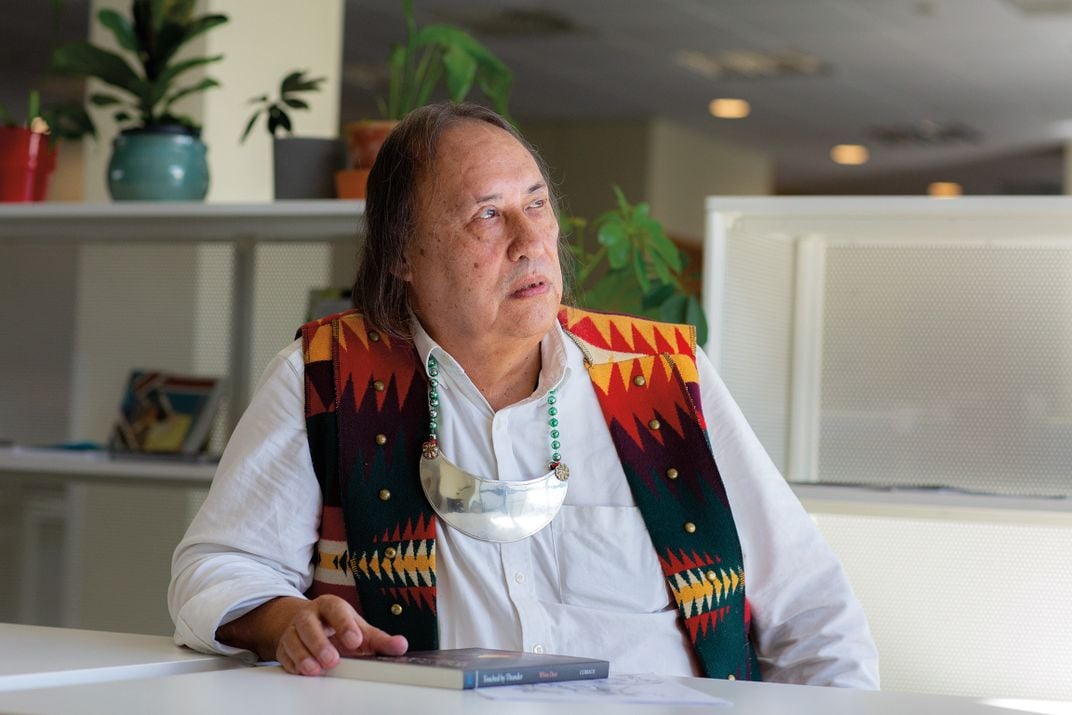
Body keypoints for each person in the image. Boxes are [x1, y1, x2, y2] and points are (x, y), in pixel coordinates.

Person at [169, 101, 879, 687]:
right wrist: (281, 617)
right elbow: (215, 570)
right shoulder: (329, 373)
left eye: (536, 204)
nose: (530, 239)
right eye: (486, 214)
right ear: (400, 254)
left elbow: (813, 612)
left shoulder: (661, 376)